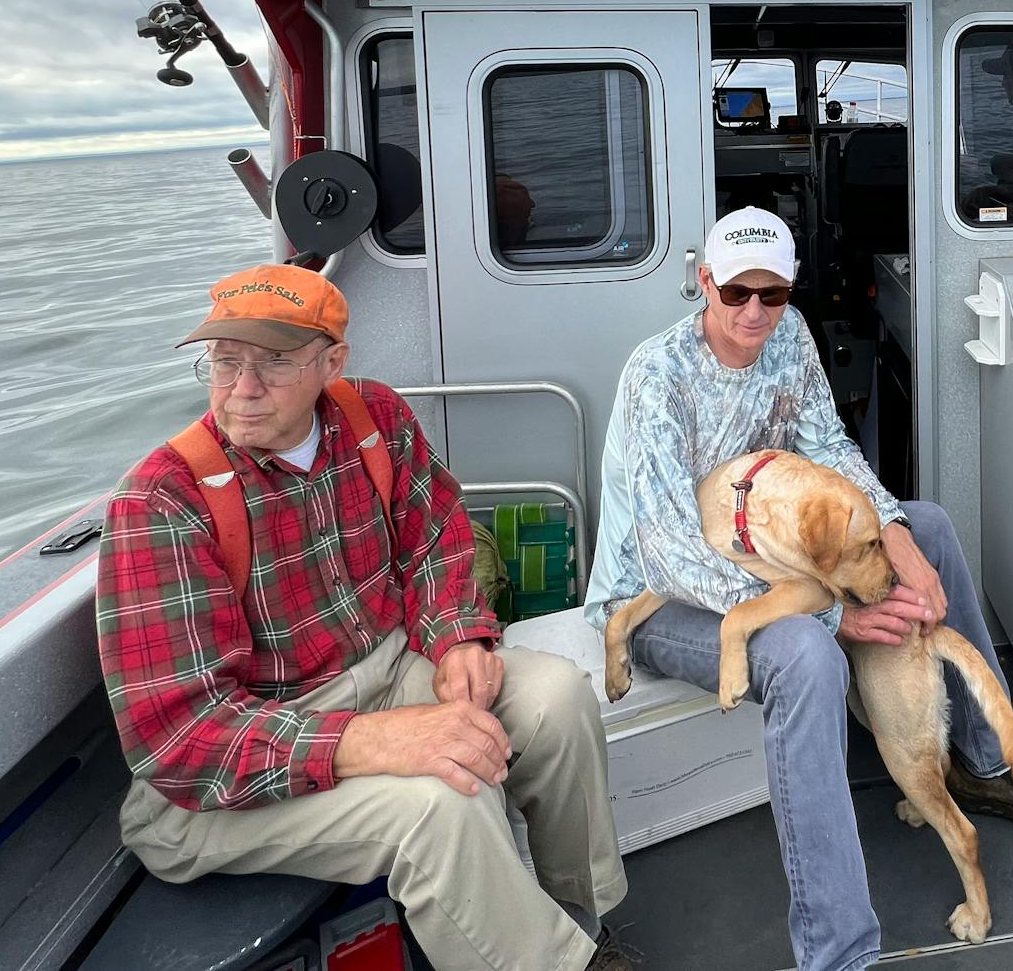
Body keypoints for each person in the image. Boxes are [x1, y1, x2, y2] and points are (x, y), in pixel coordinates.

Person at [585, 207, 1013, 971]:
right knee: (804, 653)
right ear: (704, 284)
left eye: (773, 293)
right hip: (660, 599)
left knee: (927, 526)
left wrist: (895, 537)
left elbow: (827, 445)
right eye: (735, 294)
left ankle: (989, 768)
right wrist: (836, 616)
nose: (755, 312)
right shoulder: (656, 375)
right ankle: (837, 950)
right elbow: (666, 554)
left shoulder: (787, 338)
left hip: (767, 566)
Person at [97, 264, 631, 971]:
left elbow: (436, 533)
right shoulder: (163, 501)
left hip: (384, 668)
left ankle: (577, 920)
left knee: (556, 700)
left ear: (332, 363)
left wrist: (457, 635)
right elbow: (182, 741)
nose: (242, 388)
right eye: (225, 363)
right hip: (215, 786)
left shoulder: (371, 418)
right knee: (446, 802)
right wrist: (378, 740)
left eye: (275, 362)